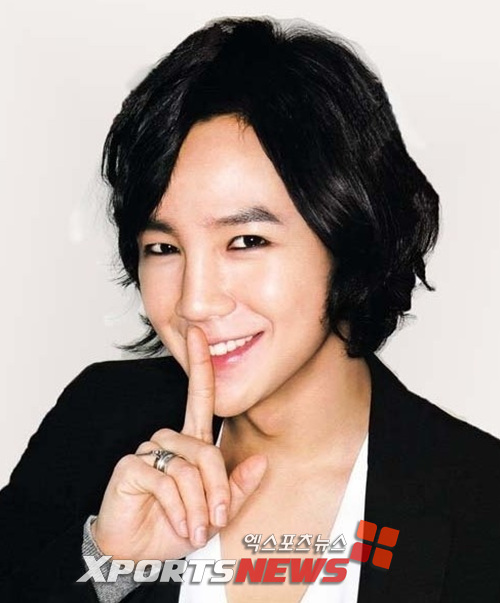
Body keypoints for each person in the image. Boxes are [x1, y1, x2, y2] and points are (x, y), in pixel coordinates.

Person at [1, 16, 499, 603]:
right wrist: (109, 568)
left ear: (350, 237)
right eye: (163, 248)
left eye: (246, 241)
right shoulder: (96, 420)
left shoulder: (480, 502)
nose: (194, 301)